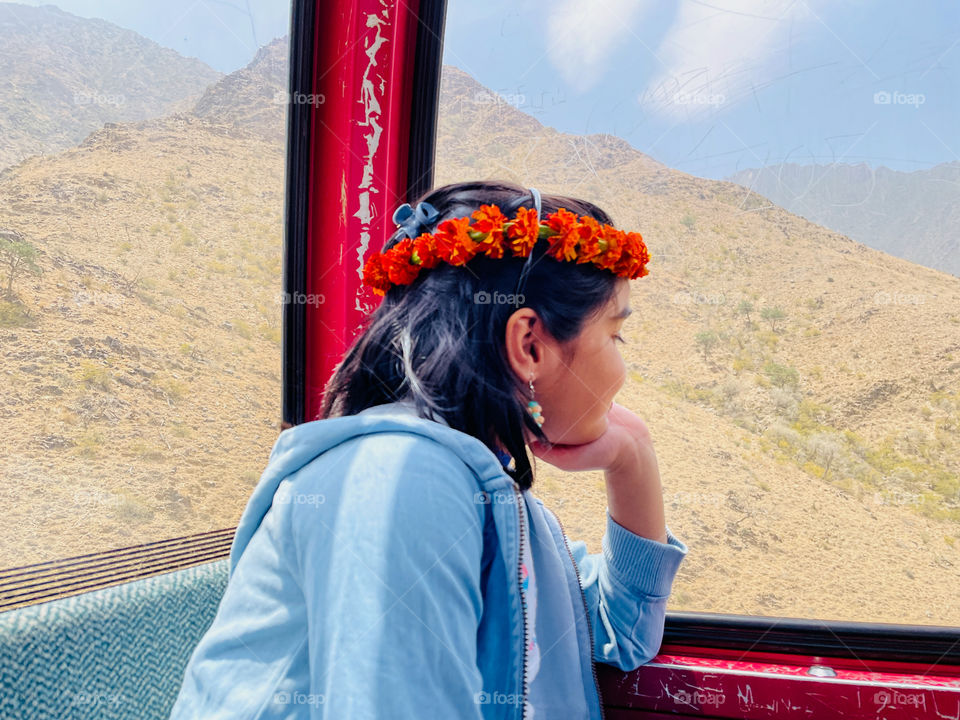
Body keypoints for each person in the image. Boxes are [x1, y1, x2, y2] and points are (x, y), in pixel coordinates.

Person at [168, 180, 687, 719]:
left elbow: (622, 632)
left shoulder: (493, 495)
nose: (622, 372)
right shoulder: (404, 481)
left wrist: (634, 458)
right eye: (615, 336)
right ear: (529, 345)